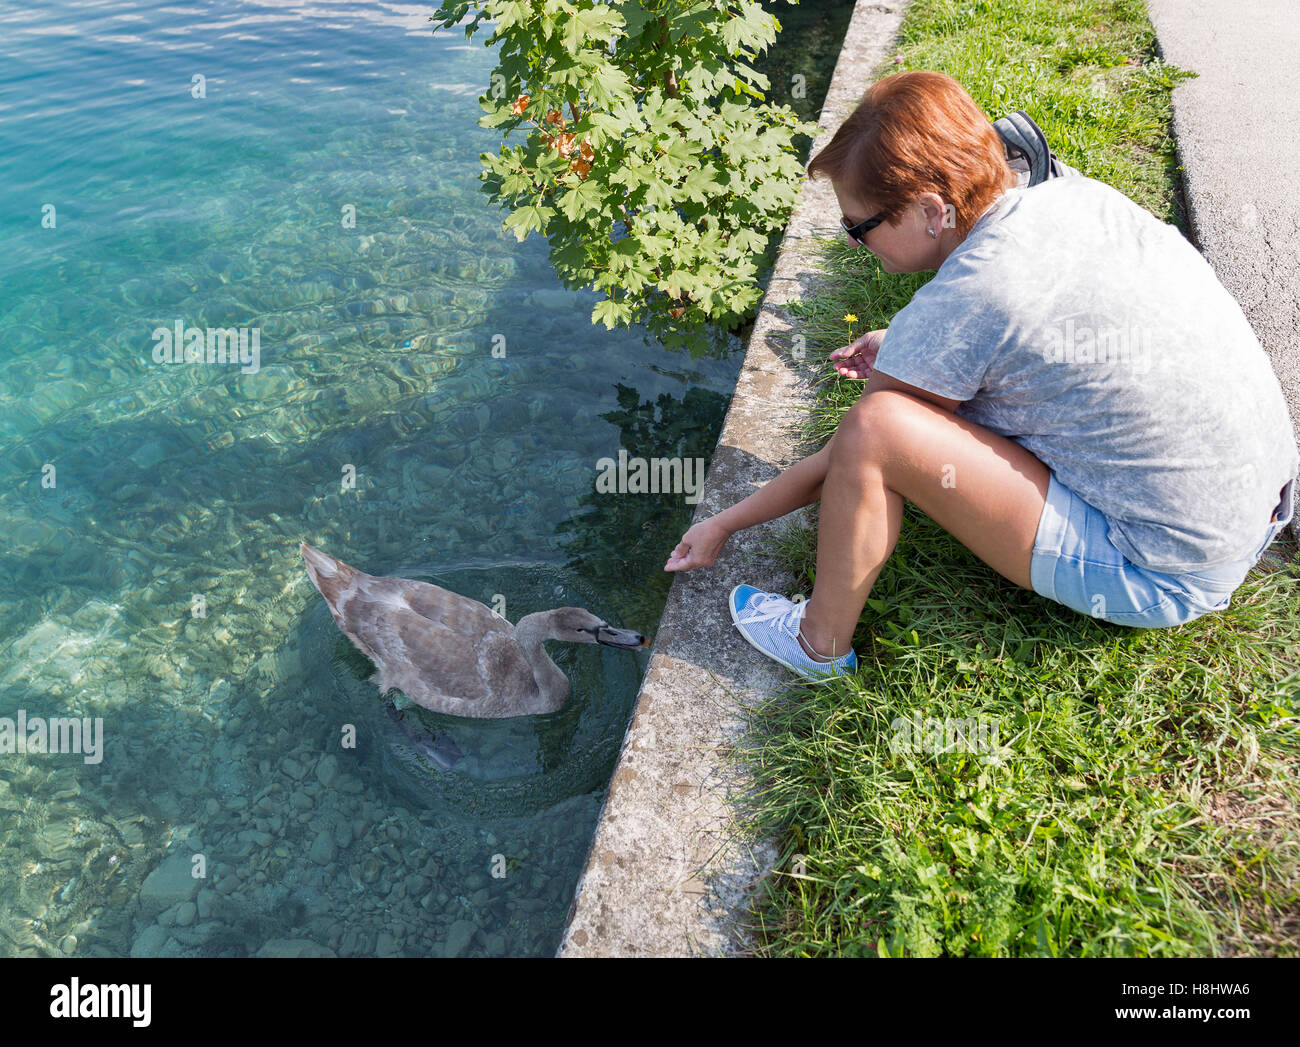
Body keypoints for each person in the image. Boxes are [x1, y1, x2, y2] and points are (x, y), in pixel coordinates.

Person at [663, 70, 1299, 682]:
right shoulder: (1070, 196)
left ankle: (817, 644)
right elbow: (1041, 329)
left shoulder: (972, 295)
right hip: (1260, 507)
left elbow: (851, 453)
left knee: (876, 429)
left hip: (1167, 576)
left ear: (930, 209)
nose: (856, 245)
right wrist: (915, 351)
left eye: (859, 227)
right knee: (900, 415)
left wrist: (725, 522)